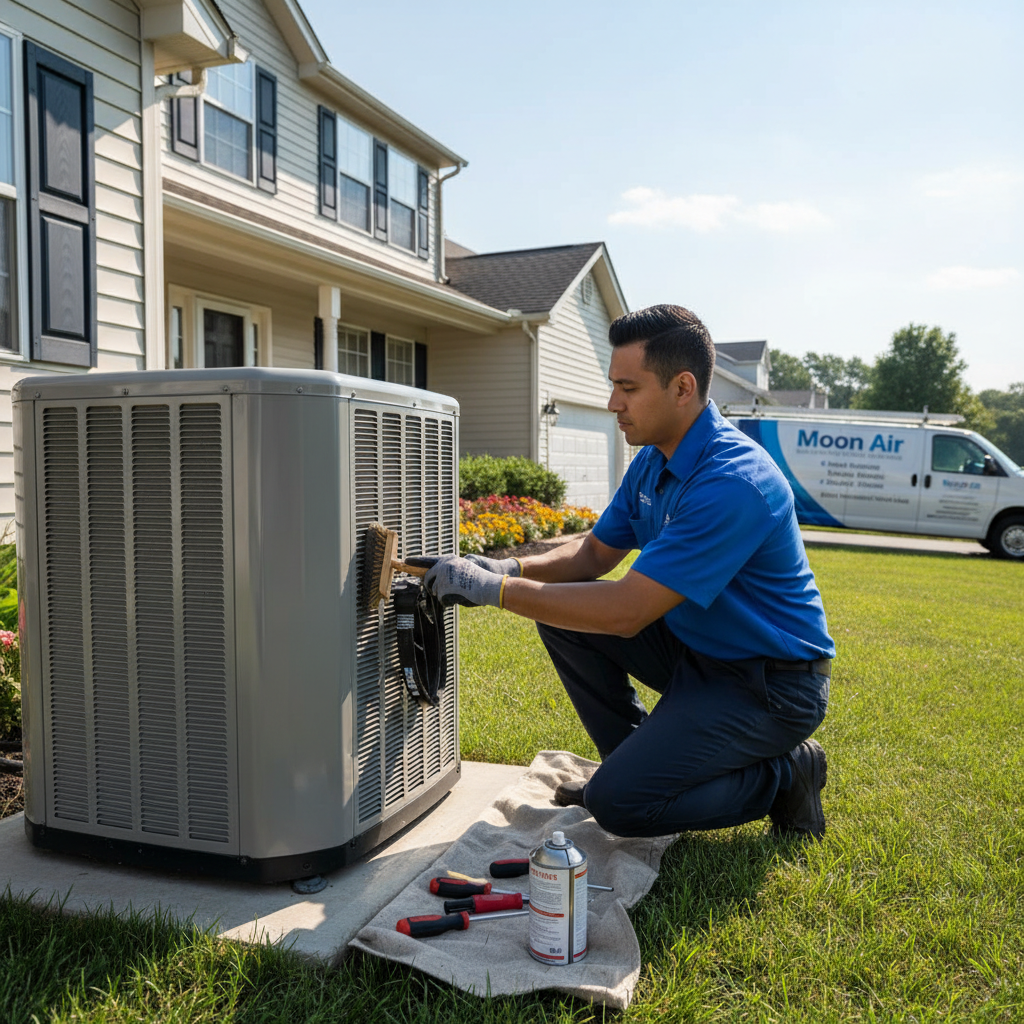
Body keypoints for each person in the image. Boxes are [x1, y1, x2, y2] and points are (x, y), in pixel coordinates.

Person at [423, 304, 835, 840]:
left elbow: (625, 612)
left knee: (622, 807)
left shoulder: (735, 482)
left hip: (770, 683)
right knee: (566, 614)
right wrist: (511, 565)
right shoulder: (654, 457)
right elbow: (593, 555)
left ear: (682, 388)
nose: (613, 403)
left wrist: (496, 589)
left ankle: (787, 772)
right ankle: (631, 765)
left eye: (628, 388)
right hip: (701, 653)